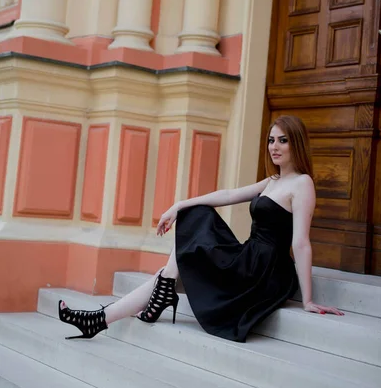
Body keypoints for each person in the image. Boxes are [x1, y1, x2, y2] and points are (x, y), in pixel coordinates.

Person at [59, 115, 343, 342]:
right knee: (174, 256)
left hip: (264, 271)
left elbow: (301, 242)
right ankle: (98, 320)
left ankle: (155, 293)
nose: (274, 147)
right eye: (271, 140)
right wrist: (179, 205)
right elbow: (229, 195)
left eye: (283, 140)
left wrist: (307, 300)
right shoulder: (272, 181)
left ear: (296, 144)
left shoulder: (302, 184)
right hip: (247, 257)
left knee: (175, 263)